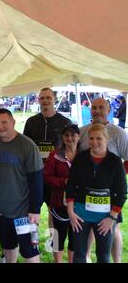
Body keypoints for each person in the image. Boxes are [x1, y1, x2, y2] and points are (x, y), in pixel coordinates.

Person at [66, 124, 127, 263]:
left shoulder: (115, 162)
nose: (94, 142)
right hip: (80, 216)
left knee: (103, 255)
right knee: (79, 253)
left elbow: (122, 192)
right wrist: (71, 212)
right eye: (91, 138)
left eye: (99, 138)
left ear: (107, 138)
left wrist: (112, 218)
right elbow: (70, 186)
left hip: (104, 218)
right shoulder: (80, 159)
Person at [0, 108, 44, 263]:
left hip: (24, 212)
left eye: (4, 122)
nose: (0, 126)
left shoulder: (27, 145)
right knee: (7, 247)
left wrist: (35, 209)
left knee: (29, 251)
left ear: (13, 122)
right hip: (2, 210)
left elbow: (37, 179)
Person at [78, 97, 128, 263]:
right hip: (87, 192)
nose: (97, 111)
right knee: (90, 227)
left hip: (110, 194)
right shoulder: (83, 131)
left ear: (109, 110)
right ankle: (86, 257)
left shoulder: (119, 133)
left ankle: (117, 260)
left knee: (113, 228)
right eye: (94, 107)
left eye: (101, 107)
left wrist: (116, 178)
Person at [23, 87, 71, 251]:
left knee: (54, 209)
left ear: (54, 99)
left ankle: (53, 240)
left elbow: (70, 146)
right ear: (38, 100)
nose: (45, 101)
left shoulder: (65, 122)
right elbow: (25, 147)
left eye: (48, 98)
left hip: (55, 174)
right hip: (34, 173)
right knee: (32, 208)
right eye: (42, 98)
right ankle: (32, 239)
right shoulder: (31, 121)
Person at [43, 123, 80, 263]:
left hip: (79, 205)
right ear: (62, 138)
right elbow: (46, 177)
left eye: (73, 135)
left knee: (75, 238)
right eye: (66, 135)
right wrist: (64, 181)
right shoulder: (54, 155)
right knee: (58, 237)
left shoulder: (84, 156)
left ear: (79, 136)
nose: (70, 138)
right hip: (59, 203)